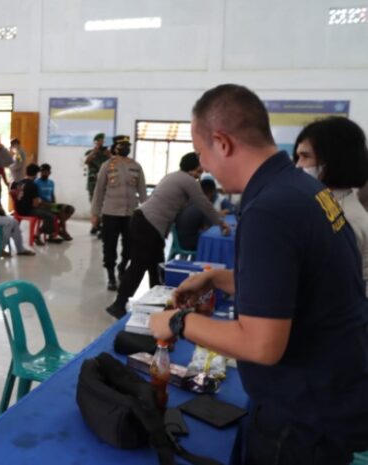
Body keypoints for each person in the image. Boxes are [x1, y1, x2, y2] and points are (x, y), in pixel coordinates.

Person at [150, 83, 368, 465]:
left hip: (301, 417)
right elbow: (300, 287)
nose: (206, 166)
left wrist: (176, 322)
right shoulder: (302, 188)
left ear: (222, 142)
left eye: (202, 153)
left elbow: (261, 346)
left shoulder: (270, 209)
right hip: (331, 397)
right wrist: (218, 279)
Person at [106, 152, 229, 318]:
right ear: (195, 166)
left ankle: (158, 303)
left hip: (146, 222)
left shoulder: (174, 176)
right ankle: (119, 304)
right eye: (201, 164)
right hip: (147, 224)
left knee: (156, 265)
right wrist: (221, 223)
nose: (204, 166)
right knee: (139, 266)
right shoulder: (188, 180)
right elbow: (203, 204)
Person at [293, 116, 368, 294]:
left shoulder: (343, 218)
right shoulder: (328, 205)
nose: (297, 166)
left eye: (305, 156)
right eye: (297, 157)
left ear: (334, 160)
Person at [91, 135, 147, 290]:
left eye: (127, 145)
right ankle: (110, 275)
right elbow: (99, 191)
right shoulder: (107, 166)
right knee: (109, 246)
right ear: (115, 147)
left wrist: (147, 214)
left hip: (130, 214)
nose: (126, 148)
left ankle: (122, 267)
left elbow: (142, 192)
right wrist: (95, 213)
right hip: (110, 213)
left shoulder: (136, 166)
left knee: (130, 246)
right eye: (122, 145)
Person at [14, 164, 63, 245]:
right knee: (51, 215)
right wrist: (46, 205)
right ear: (36, 174)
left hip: (18, 209)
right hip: (27, 210)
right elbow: (35, 204)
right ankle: (39, 235)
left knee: (50, 210)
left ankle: (51, 234)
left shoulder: (19, 183)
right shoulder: (33, 185)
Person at [36, 163, 75, 241]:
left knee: (70, 209)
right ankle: (62, 231)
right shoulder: (36, 182)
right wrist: (51, 205)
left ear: (49, 172)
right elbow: (36, 198)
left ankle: (58, 227)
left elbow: (52, 195)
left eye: (46, 171)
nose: (44, 173)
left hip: (50, 204)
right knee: (61, 209)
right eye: (42, 171)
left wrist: (54, 205)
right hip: (41, 205)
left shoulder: (51, 182)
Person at [85, 133, 111, 234]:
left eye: (103, 141)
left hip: (105, 183)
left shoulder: (107, 153)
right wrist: (93, 152)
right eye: (100, 141)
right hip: (93, 183)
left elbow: (114, 163)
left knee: (104, 205)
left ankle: (103, 225)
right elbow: (87, 162)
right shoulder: (90, 152)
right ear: (96, 142)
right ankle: (94, 225)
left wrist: (109, 155)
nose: (102, 143)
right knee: (94, 205)